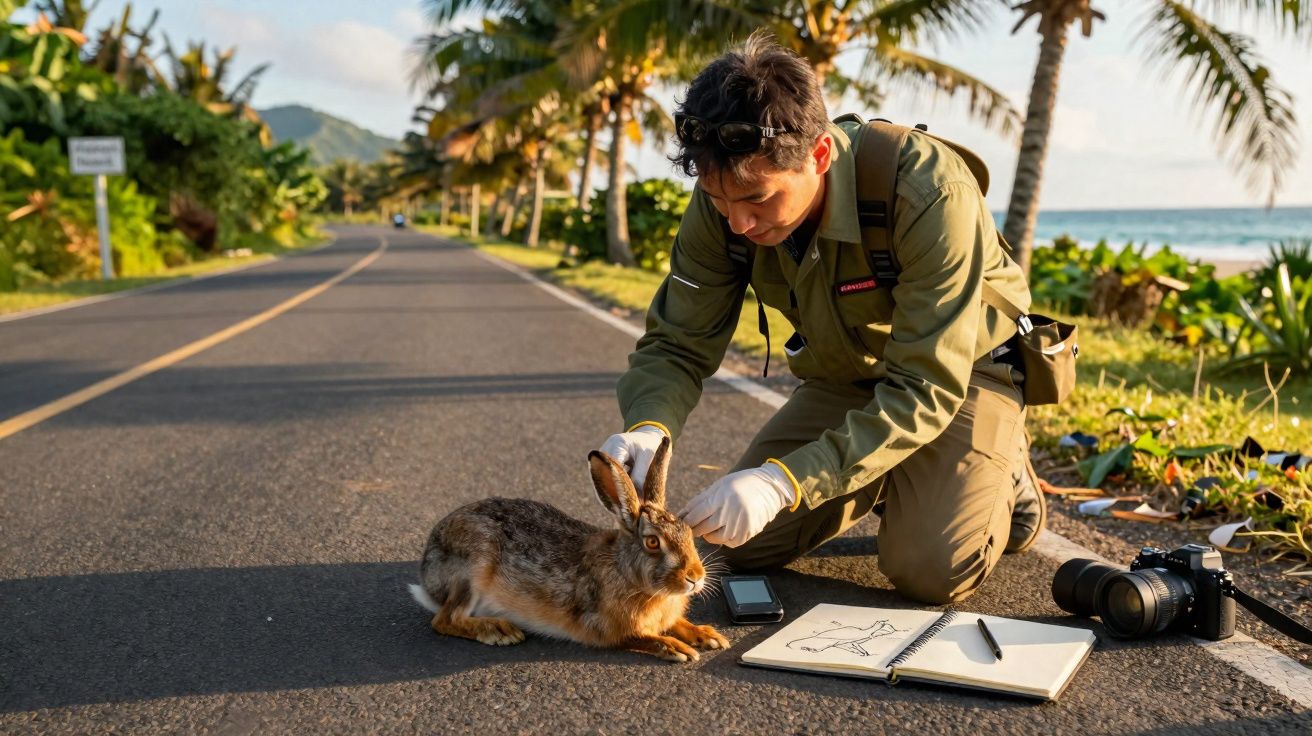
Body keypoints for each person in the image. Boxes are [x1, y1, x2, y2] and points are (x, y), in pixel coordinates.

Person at [599, 35, 1043, 605]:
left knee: (930, 569)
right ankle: (885, 471)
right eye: (717, 199)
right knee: (730, 546)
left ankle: (1005, 472)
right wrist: (648, 427)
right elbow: (678, 343)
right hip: (848, 377)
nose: (737, 222)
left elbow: (925, 386)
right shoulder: (726, 195)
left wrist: (784, 482)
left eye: (757, 199)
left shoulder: (931, 191)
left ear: (820, 156)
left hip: (959, 377)